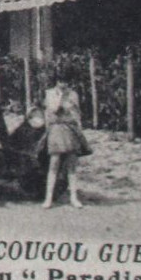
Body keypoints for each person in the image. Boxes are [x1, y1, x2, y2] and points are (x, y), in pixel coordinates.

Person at [41, 77, 91, 209]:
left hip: (70, 129)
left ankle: (74, 198)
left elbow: (76, 114)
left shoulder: (73, 94)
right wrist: (61, 97)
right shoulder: (50, 93)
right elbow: (53, 109)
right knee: (54, 163)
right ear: (56, 81)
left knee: (71, 164)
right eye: (60, 80)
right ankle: (48, 198)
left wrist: (79, 130)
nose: (63, 84)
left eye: (66, 81)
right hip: (56, 128)